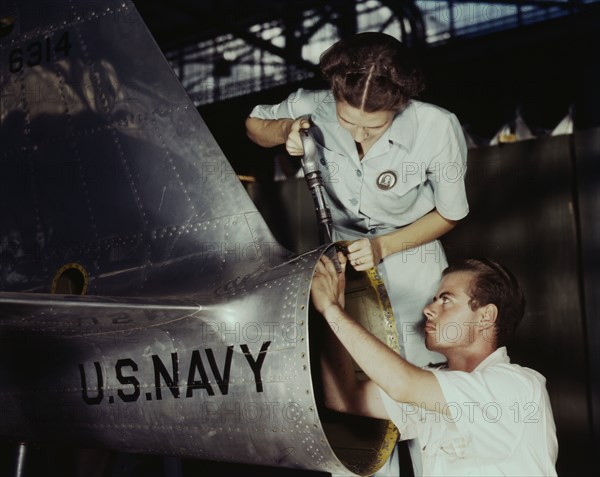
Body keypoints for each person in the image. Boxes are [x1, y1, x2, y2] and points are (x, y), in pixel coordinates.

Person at [246, 32, 468, 370]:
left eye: (374, 127)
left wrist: (384, 246)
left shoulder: (438, 127)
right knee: (353, 373)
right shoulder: (315, 105)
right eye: (347, 121)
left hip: (410, 252)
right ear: (334, 94)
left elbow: (450, 214)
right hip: (340, 259)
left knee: (419, 367)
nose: (358, 135)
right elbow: (253, 124)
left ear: (401, 104)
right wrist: (287, 128)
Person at [310, 254, 558, 476]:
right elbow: (343, 398)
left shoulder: (518, 387)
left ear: (486, 317)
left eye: (446, 300)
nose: (428, 309)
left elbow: (404, 385)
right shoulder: (434, 386)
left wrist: (332, 311)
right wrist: (334, 310)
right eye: (434, 299)